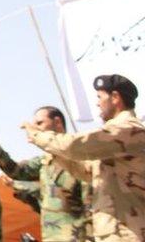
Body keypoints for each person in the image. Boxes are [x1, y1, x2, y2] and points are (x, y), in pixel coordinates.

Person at [23, 74, 145, 240]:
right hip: (115, 231)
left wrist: (39, 136)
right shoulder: (114, 140)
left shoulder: (127, 129)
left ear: (115, 97)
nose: (97, 103)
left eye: (99, 97)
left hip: (129, 232)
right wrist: (54, 150)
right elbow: (86, 171)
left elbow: (75, 146)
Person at [0, 106, 90, 241]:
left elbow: (91, 206)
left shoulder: (81, 158)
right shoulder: (44, 161)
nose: (35, 129)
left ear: (57, 122)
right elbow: (16, 171)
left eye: (40, 123)